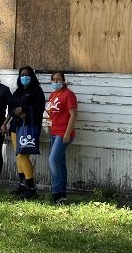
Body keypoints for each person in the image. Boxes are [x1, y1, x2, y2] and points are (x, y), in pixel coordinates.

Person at [3, 65, 45, 199]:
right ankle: (23, 185)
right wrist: (15, 111)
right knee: (18, 156)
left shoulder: (37, 91)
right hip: (15, 127)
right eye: (22, 75)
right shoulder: (18, 91)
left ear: (32, 76)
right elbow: (10, 108)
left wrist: (24, 109)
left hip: (28, 128)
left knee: (23, 156)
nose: (24, 77)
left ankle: (32, 188)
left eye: (27, 75)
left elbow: (39, 109)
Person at [46, 72, 78, 205]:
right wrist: (48, 125)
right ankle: (62, 195)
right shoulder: (53, 95)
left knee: (53, 161)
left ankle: (56, 192)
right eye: (53, 80)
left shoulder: (69, 95)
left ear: (64, 81)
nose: (55, 81)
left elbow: (73, 115)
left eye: (58, 79)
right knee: (60, 163)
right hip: (54, 132)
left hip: (63, 134)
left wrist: (67, 133)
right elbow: (50, 113)